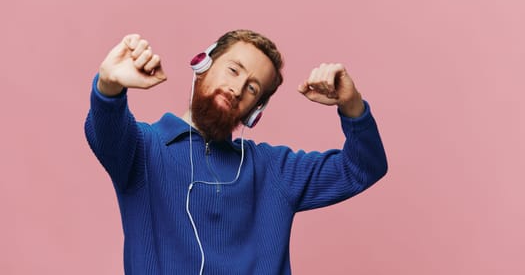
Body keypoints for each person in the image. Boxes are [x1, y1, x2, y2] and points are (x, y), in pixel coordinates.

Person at [84, 30, 388, 275]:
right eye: (233, 70)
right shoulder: (143, 148)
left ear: (256, 111)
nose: (237, 88)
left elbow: (363, 166)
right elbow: (105, 130)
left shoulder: (274, 170)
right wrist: (109, 86)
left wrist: (351, 103)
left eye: (253, 88)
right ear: (202, 64)